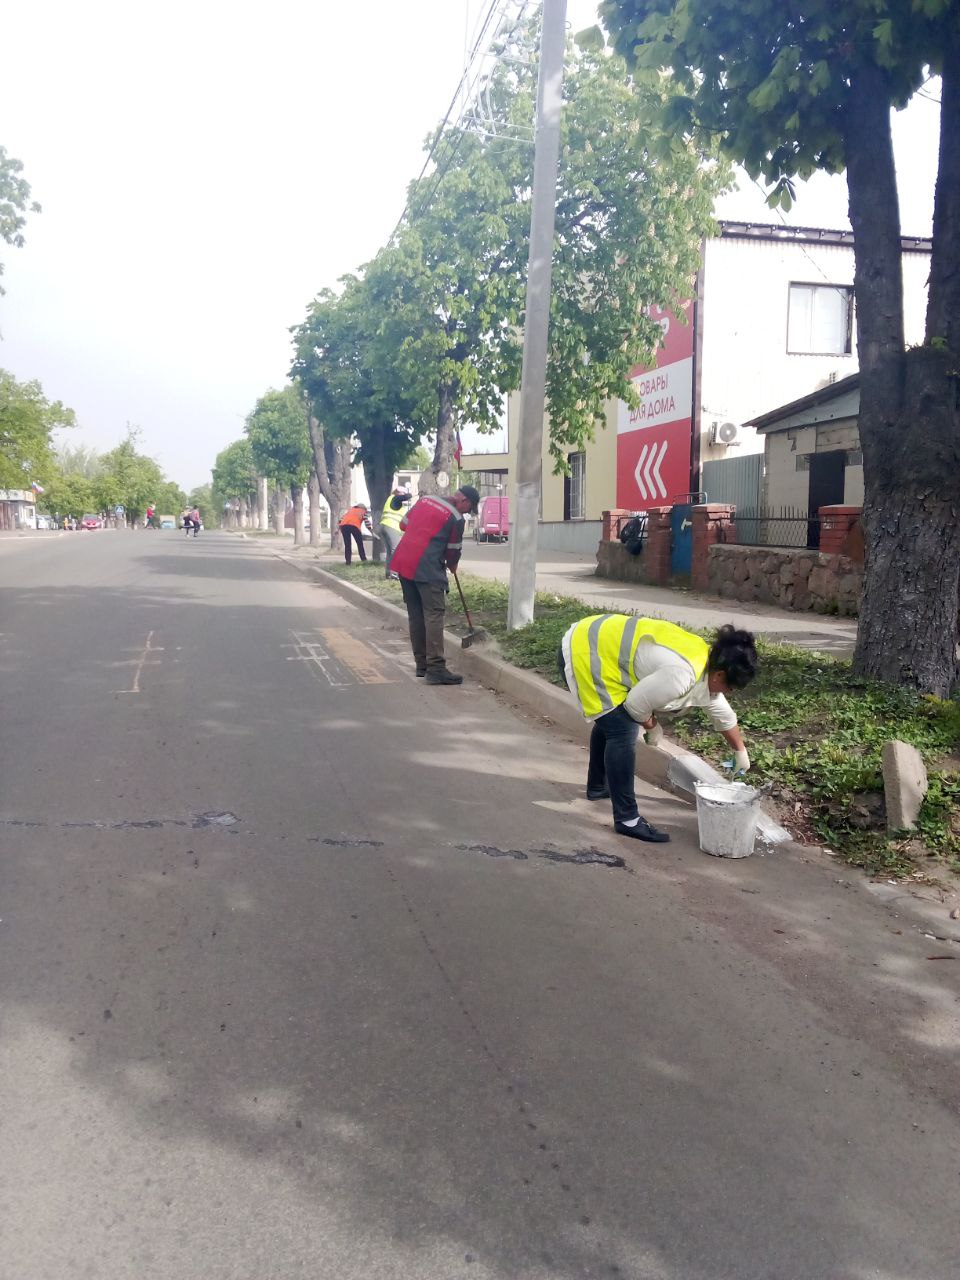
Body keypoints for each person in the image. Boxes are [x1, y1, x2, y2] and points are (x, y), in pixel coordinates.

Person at [560, 617, 758, 843]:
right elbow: (635, 706)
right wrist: (653, 727)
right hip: (586, 650)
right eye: (730, 688)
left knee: (611, 718)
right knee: (622, 729)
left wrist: (739, 751)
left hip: (596, 642)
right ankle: (627, 820)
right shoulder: (682, 675)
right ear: (720, 675)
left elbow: (721, 712)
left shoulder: (706, 662)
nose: (728, 693)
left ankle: (598, 786)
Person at [391, 485, 480, 685]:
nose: (467, 513)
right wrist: (453, 563)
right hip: (427, 568)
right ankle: (436, 668)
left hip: (404, 563)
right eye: (469, 508)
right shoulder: (456, 518)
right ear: (464, 500)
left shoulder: (425, 500)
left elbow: (404, 525)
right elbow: (452, 551)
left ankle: (422, 664)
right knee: (434, 615)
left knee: (416, 615)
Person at [378, 486, 411, 578]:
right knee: (395, 550)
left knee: (390, 551)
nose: (403, 496)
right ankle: (393, 573)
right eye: (402, 493)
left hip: (385, 526)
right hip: (391, 526)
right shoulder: (395, 498)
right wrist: (410, 494)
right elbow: (405, 497)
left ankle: (389, 573)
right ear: (398, 493)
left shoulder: (392, 500)